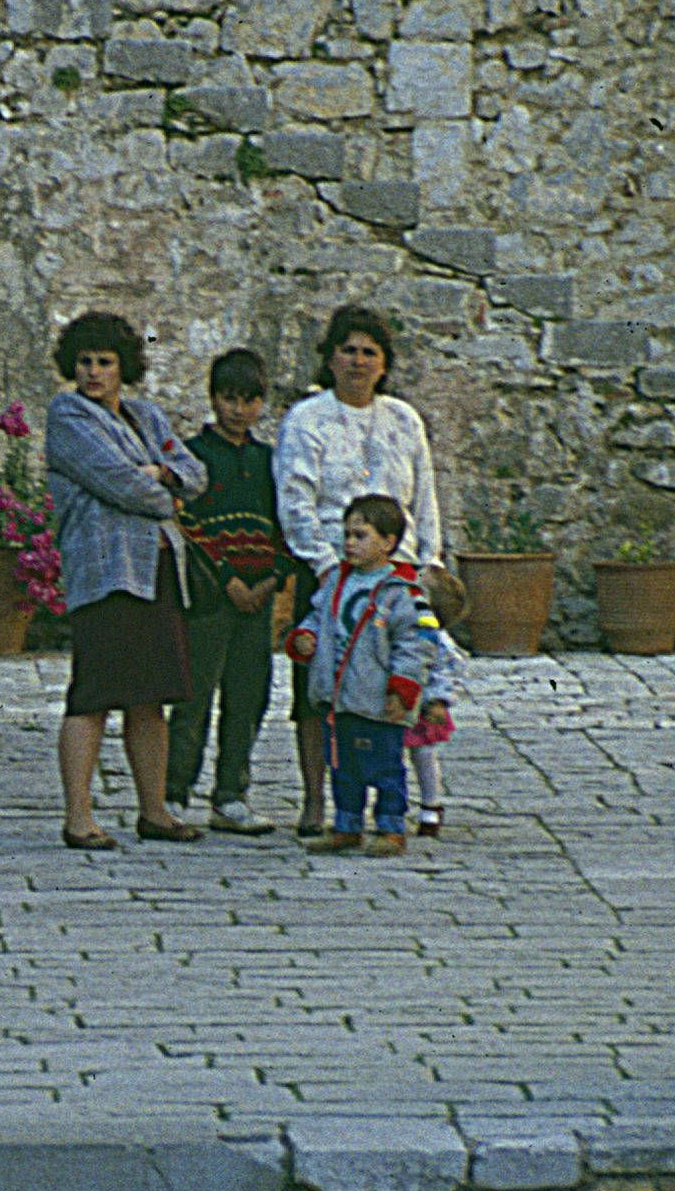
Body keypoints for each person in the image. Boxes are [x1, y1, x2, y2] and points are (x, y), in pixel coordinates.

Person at [275, 305, 443, 837]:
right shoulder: (307, 419)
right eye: (348, 350)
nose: (358, 361)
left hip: (396, 574)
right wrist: (328, 567)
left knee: (400, 676)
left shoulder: (403, 420)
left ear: (384, 363)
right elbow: (295, 498)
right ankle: (317, 799)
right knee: (320, 687)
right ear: (330, 357)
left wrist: (429, 564)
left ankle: (401, 801)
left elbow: (424, 497)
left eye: (369, 351)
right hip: (330, 567)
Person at [43, 310, 207, 849]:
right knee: (93, 694)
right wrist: (165, 492)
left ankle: (154, 811)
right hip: (107, 570)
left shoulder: (147, 417)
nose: (94, 372)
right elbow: (117, 483)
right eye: (86, 362)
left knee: (151, 696)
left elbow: (196, 473)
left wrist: (161, 473)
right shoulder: (69, 415)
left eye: (105, 363)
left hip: (159, 570)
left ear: (123, 368)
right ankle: (79, 817)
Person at [165, 347, 287, 834]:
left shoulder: (268, 461)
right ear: (213, 399)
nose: (239, 410)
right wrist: (228, 578)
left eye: (249, 400)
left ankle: (231, 794)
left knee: (248, 695)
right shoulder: (195, 456)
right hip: (212, 597)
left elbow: (285, 522)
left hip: (259, 598)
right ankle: (174, 792)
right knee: (194, 696)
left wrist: (274, 577)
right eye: (229, 398)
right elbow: (189, 523)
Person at [287, 494, 435, 857]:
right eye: (347, 534)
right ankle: (347, 825)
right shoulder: (337, 581)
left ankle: (390, 826)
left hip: (378, 698)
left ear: (388, 542)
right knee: (343, 767)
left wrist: (403, 688)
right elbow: (317, 617)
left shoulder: (403, 591)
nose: (349, 543)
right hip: (338, 697)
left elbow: (417, 643)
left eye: (360, 535)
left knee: (384, 767)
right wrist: (305, 638)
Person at [407, 565, 470, 838]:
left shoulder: (438, 641)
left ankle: (431, 804)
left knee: (424, 754)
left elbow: (449, 669)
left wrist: (439, 700)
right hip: (397, 700)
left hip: (423, 706)